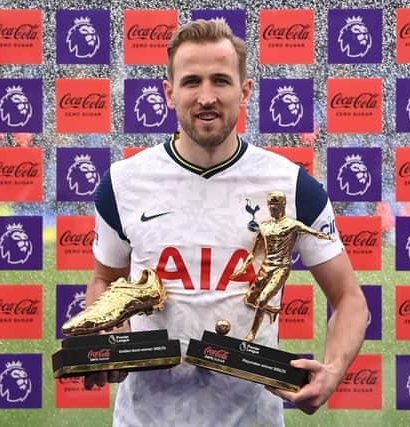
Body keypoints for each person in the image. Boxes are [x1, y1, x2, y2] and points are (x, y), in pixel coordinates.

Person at [86, 18, 368, 425]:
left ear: (245, 90)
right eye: (191, 82)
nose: (206, 97)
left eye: (220, 80)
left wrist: (333, 371)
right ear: (169, 93)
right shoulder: (122, 183)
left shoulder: (292, 186)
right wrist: (105, 338)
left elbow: (350, 299)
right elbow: (104, 280)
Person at [230, 191, 336, 342]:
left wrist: (328, 236)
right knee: (249, 299)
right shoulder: (264, 227)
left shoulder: (292, 225)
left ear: (283, 206)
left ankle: (252, 334)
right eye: (270, 206)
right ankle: (272, 310)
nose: (272, 209)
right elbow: (253, 254)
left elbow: (312, 232)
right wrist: (241, 270)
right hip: (266, 267)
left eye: (275, 206)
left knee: (261, 300)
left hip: (282, 267)